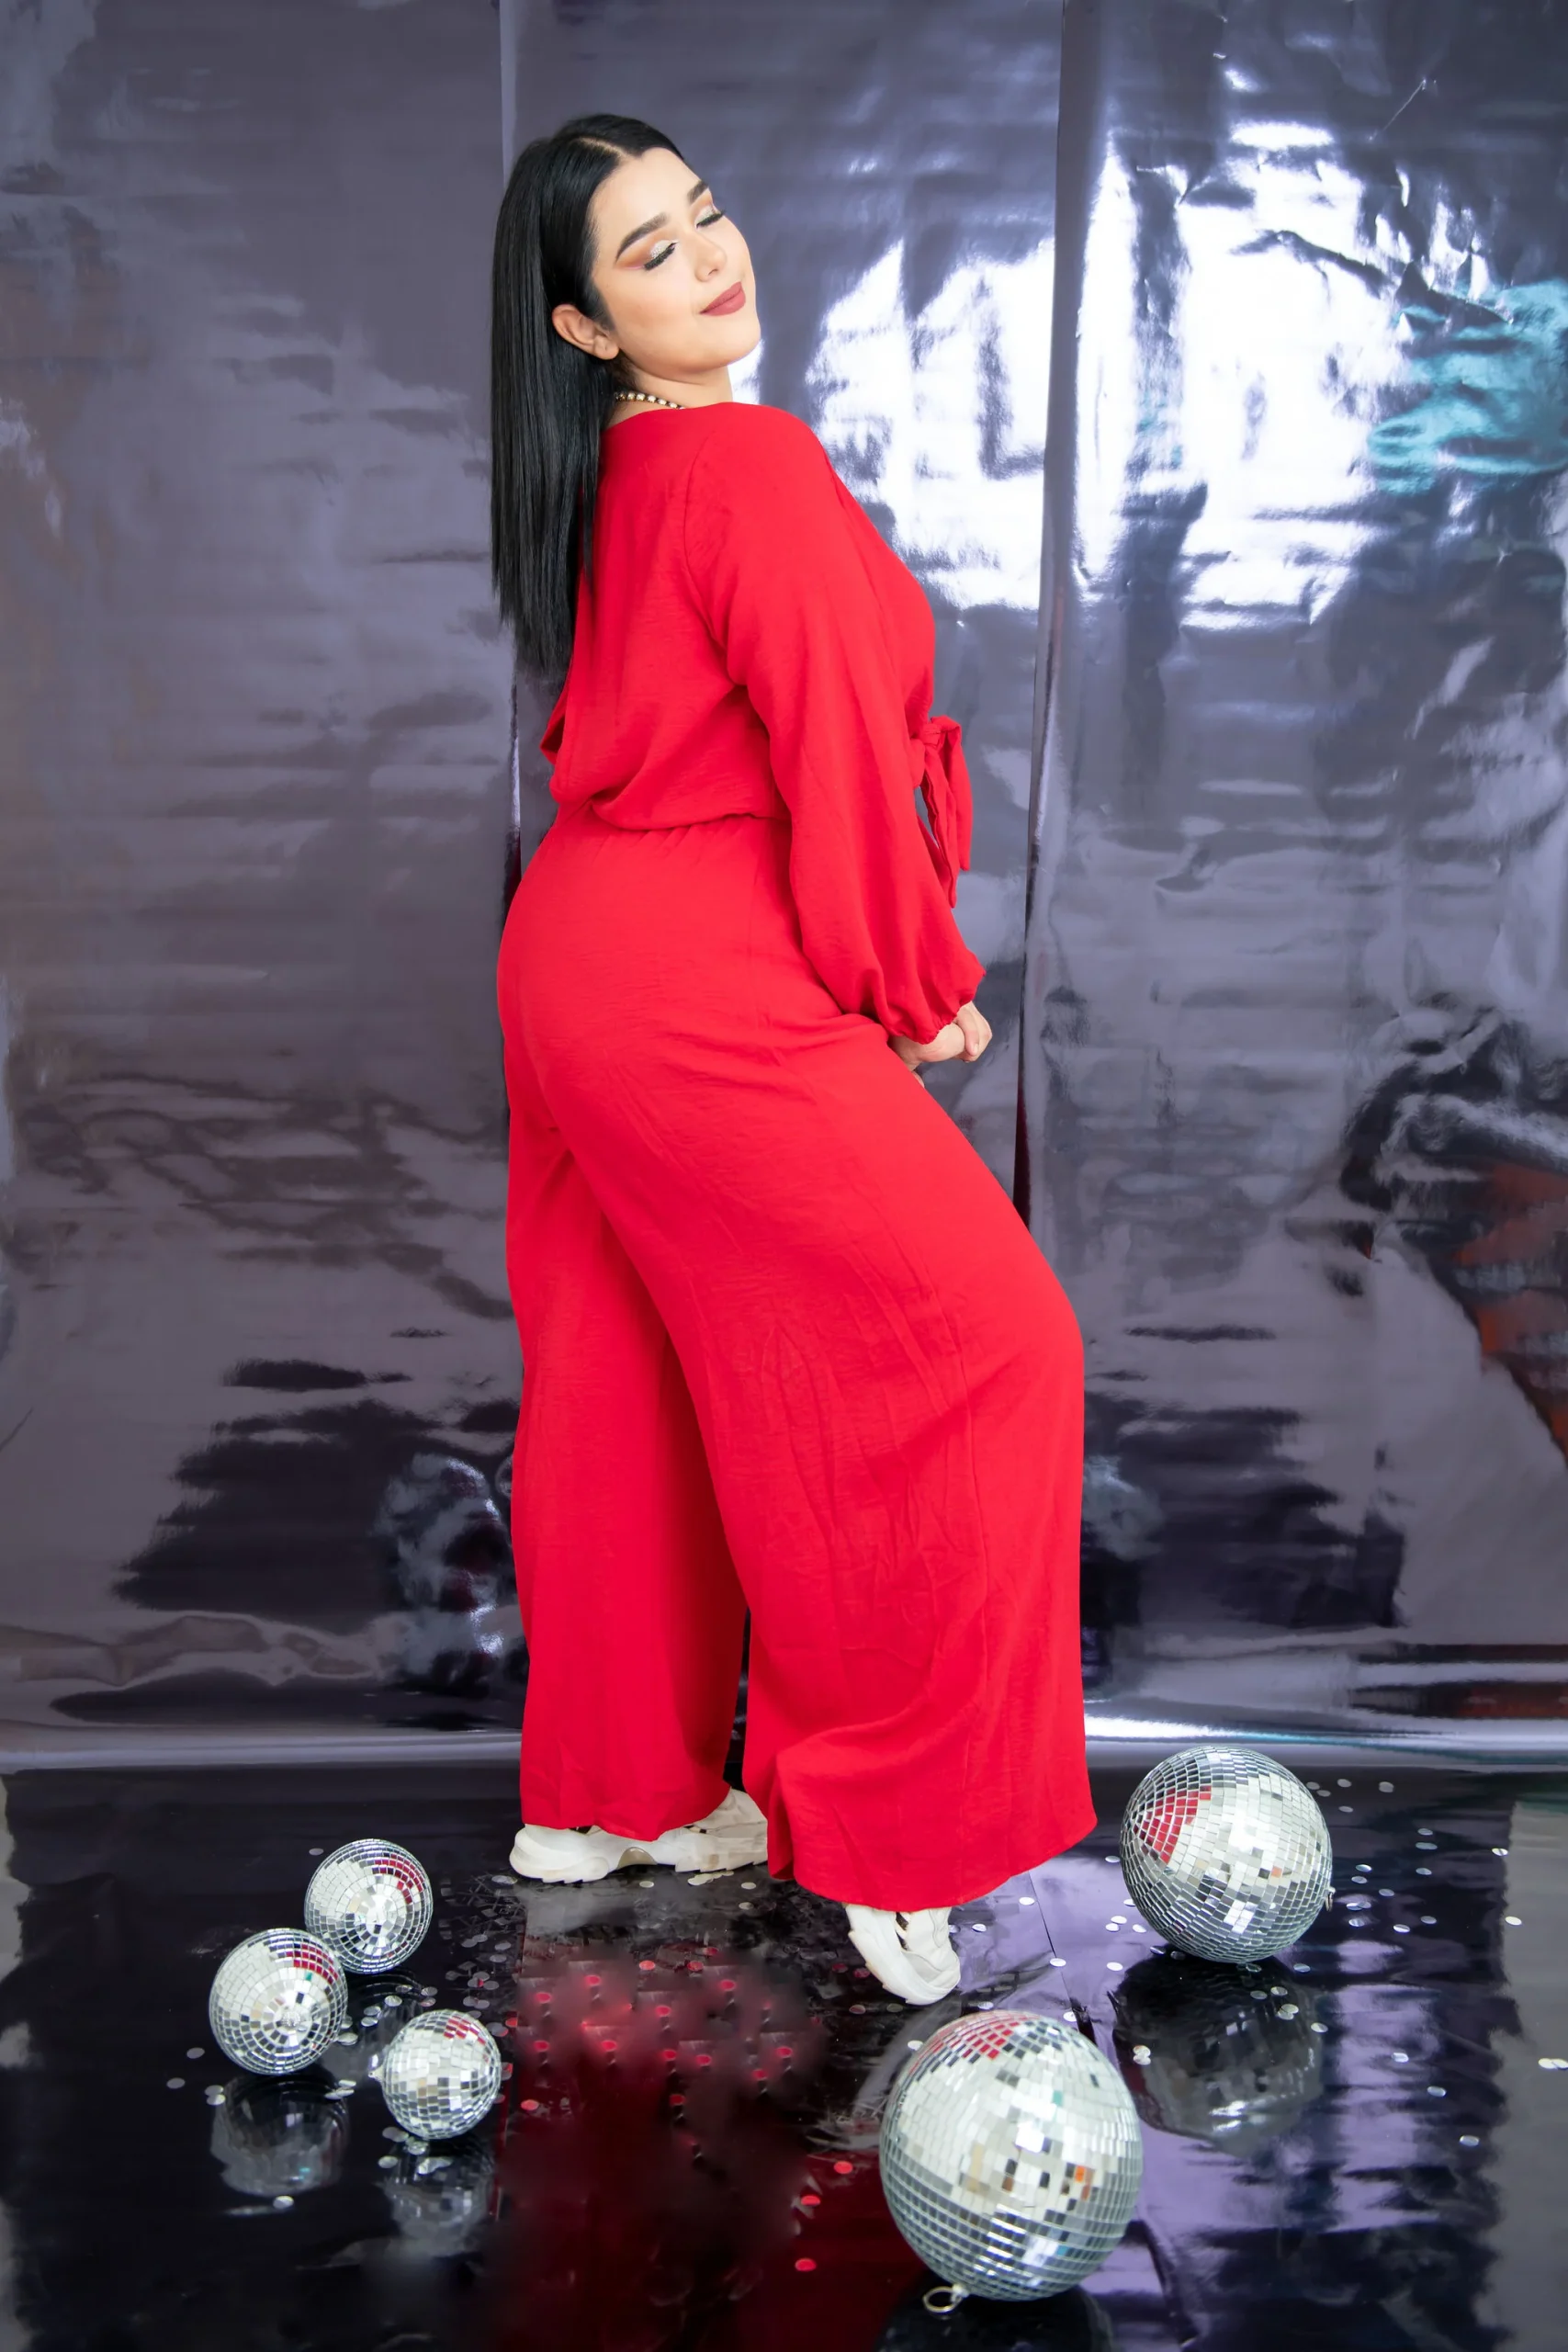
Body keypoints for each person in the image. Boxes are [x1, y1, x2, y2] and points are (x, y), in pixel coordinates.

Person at [490, 113, 1091, 2005]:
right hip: (692, 972)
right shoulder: (739, 461)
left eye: (704, 214)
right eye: (648, 251)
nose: (708, 257)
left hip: (575, 955)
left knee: (627, 1375)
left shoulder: (615, 469)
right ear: (584, 324)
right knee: (986, 1348)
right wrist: (906, 977)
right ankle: (894, 1836)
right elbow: (832, 735)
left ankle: (612, 1799)